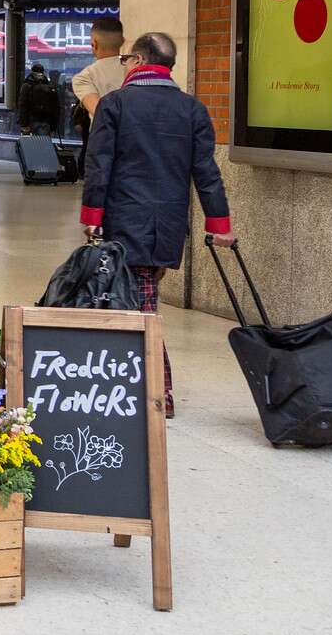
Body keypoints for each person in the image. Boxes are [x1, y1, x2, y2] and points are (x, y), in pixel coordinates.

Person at [81, 32, 236, 417]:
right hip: (167, 225)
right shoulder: (192, 109)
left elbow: (99, 166)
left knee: (141, 309)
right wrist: (220, 223)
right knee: (140, 298)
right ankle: (129, 385)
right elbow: (207, 172)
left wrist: (91, 219)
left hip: (124, 221)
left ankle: (156, 391)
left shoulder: (114, 105)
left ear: (136, 60)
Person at [70, 17, 128, 173]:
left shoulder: (84, 77)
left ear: (93, 44)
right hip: (142, 147)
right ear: (123, 41)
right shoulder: (137, 68)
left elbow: (100, 110)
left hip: (106, 148)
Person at [17, 63, 60, 136]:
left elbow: (23, 106)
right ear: (43, 72)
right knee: (43, 144)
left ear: (32, 71)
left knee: (30, 144)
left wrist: (24, 124)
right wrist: (54, 127)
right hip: (46, 121)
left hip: (31, 120)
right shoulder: (49, 86)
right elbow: (55, 108)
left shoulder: (26, 85)